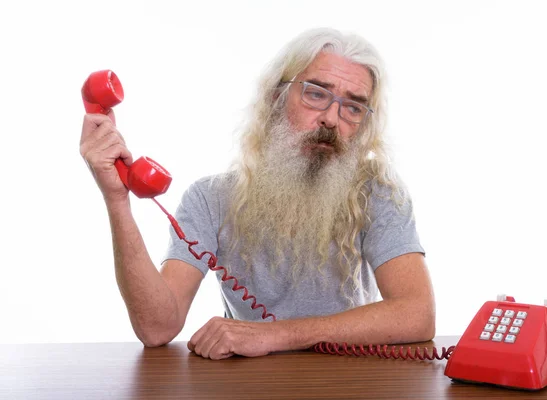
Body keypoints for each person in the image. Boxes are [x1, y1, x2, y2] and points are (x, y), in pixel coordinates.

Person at [79, 27, 436, 360]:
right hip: (249, 384)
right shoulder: (209, 199)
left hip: (346, 378)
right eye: (316, 93)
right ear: (276, 96)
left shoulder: (378, 193)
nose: (331, 118)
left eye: (353, 107)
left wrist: (277, 335)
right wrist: (117, 200)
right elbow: (157, 328)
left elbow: (417, 314)